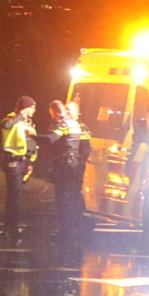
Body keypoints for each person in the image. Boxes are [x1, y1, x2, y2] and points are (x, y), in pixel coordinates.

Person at [39, 100, 87, 241]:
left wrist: (32, 136)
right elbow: (83, 148)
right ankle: (72, 230)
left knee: (63, 199)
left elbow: (51, 140)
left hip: (64, 165)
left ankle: (66, 231)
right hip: (74, 165)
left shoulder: (63, 124)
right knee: (71, 199)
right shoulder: (78, 125)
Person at [1, 96, 37, 236]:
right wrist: (20, 115)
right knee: (14, 195)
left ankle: (12, 225)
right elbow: (5, 125)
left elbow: (31, 143)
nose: (34, 110)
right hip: (12, 161)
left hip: (23, 162)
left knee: (18, 195)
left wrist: (30, 162)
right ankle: (10, 227)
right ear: (25, 108)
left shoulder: (28, 122)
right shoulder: (11, 118)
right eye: (33, 107)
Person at [65, 100, 92, 234]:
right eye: (65, 110)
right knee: (67, 198)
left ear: (77, 111)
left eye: (69, 110)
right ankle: (70, 226)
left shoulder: (83, 128)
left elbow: (86, 149)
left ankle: (78, 225)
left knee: (76, 197)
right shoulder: (64, 126)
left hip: (77, 169)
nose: (67, 112)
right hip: (68, 168)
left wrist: (79, 165)